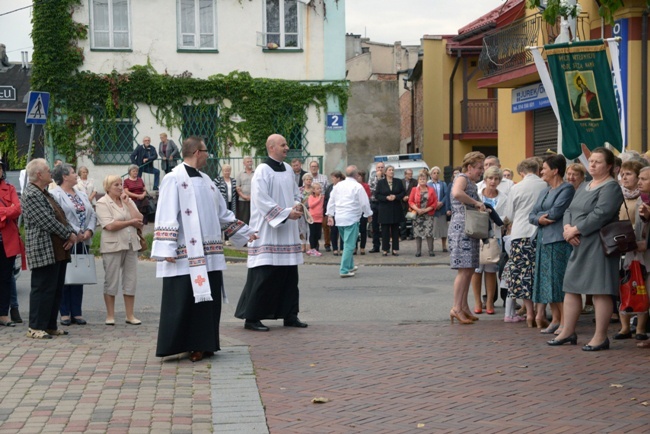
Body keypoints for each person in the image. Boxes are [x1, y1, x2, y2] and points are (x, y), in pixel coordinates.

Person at [151, 136, 257, 361]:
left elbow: (222, 213)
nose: (209, 155)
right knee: (185, 300)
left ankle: (205, 344)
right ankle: (185, 344)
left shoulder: (208, 180)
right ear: (197, 152)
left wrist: (245, 232)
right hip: (184, 254)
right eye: (206, 151)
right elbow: (166, 212)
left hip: (209, 253)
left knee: (207, 302)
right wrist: (167, 247)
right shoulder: (174, 179)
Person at [549, 147, 624, 351]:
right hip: (578, 243)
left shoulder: (611, 188)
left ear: (609, 166)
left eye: (598, 162)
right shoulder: (585, 185)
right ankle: (567, 331)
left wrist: (576, 229)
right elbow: (569, 210)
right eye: (591, 161)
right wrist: (567, 228)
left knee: (600, 290)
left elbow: (601, 214)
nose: (592, 164)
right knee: (571, 286)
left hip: (598, 244)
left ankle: (600, 337)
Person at [235, 134, 308, 332]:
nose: (287, 147)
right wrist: (285, 214)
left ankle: (290, 314)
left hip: (288, 230)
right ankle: (252, 317)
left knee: (289, 276)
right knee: (263, 275)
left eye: (286, 144)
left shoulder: (287, 169)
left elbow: (295, 194)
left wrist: (296, 206)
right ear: (271, 147)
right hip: (268, 230)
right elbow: (260, 200)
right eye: (283, 145)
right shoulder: (262, 170)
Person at [22, 158, 77, 339]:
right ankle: (35, 327)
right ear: (39, 174)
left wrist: (70, 232)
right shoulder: (31, 193)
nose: (51, 173)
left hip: (57, 248)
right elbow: (47, 221)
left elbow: (61, 215)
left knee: (55, 288)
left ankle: (50, 325)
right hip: (43, 248)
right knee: (42, 288)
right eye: (47, 170)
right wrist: (68, 234)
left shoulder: (46, 192)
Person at [528, 155, 575, 334]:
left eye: (545, 168)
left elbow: (555, 213)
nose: (541, 172)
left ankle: (564, 321)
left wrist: (540, 216)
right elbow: (531, 214)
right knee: (548, 282)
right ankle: (555, 319)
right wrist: (539, 218)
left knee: (559, 281)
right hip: (542, 240)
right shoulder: (544, 191)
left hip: (558, 241)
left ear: (555, 170)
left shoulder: (567, 189)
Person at [50, 164, 97, 326]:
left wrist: (89, 230)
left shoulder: (81, 193)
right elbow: (60, 216)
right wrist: (76, 231)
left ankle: (77, 312)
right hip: (66, 240)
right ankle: (64, 313)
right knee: (65, 275)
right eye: (72, 173)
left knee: (79, 274)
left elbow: (92, 213)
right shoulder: (55, 194)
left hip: (83, 240)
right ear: (64, 177)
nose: (76, 175)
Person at [502, 158, 547, 328]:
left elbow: (509, 215)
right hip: (540, 232)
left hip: (520, 233)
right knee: (540, 272)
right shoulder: (544, 185)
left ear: (521, 172)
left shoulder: (516, 188)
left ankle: (529, 313)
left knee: (522, 275)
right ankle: (540, 311)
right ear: (537, 169)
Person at [96, 175, 144, 326]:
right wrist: (130, 222)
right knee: (111, 279)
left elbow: (140, 219)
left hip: (131, 243)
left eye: (120, 184)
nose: (119, 187)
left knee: (131, 279)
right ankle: (110, 315)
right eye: (115, 185)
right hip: (112, 245)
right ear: (108, 187)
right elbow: (109, 225)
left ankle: (130, 315)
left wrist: (128, 203)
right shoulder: (102, 202)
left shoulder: (126, 200)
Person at [448, 151, 486, 325]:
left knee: (469, 269)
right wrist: (476, 202)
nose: (481, 171)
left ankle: (463, 307)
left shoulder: (470, 181)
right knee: (464, 269)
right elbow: (456, 193)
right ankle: (456, 308)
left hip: (468, 228)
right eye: (479, 168)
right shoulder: (462, 178)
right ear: (469, 167)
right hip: (461, 227)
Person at [614, 160, 647, 342]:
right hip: (620, 245)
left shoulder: (644, 197)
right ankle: (625, 326)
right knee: (623, 284)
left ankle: (640, 328)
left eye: (629, 174)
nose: (624, 178)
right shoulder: (618, 195)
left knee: (640, 284)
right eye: (622, 174)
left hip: (639, 246)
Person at [471, 166, 507, 315]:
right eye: (490, 178)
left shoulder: (503, 197)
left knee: (491, 269)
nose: (493, 181)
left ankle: (490, 301)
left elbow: (506, 216)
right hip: (478, 234)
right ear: (485, 180)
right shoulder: (477, 194)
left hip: (494, 236)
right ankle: (478, 301)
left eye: (496, 178)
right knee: (477, 270)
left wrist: (496, 217)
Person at [327, 165, 373, 277]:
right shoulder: (358, 186)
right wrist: (368, 214)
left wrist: (330, 214)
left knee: (347, 242)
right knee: (349, 245)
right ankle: (344, 269)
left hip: (339, 218)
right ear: (357, 175)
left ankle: (350, 265)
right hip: (351, 218)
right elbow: (364, 203)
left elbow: (331, 200)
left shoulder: (338, 186)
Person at [0, 159, 25, 327]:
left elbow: (18, 209)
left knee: (5, 279)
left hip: (6, 241)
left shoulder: (9, 188)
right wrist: (6, 213)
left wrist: (2, 213)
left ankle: (3, 314)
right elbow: (12, 210)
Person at [633, 166, 650, 349]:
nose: (639, 182)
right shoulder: (641, 199)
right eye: (639, 178)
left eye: (644, 179)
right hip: (644, 257)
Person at [376, 165, 405, 256]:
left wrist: (396, 197)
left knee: (395, 230)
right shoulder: (381, 183)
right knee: (385, 230)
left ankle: (395, 249)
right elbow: (377, 195)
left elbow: (403, 192)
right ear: (385, 172)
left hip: (395, 208)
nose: (391, 171)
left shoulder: (398, 181)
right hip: (385, 209)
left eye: (393, 170)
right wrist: (386, 197)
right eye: (389, 170)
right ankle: (385, 249)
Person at [409, 171, 438, 257]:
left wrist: (425, 210)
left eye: (424, 179)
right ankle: (418, 251)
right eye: (420, 179)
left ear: (427, 180)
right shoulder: (414, 190)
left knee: (429, 233)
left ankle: (431, 250)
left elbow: (435, 203)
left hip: (428, 214)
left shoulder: (431, 190)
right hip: (417, 214)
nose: (422, 180)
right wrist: (417, 209)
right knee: (417, 233)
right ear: (418, 180)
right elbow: (410, 201)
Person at [308, 160, 330, 252]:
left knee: (325, 227)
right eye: (312, 166)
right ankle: (314, 246)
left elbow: (328, 189)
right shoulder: (308, 177)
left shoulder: (323, 177)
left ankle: (327, 244)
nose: (314, 168)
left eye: (315, 166)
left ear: (318, 167)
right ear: (310, 168)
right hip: (313, 210)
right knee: (313, 231)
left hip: (322, 204)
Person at [428, 166, 451, 252]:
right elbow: (428, 196)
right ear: (431, 174)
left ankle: (444, 246)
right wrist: (434, 204)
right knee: (432, 229)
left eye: (437, 173)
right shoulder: (428, 184)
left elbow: (446, 194)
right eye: (434, 173)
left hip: (441, 209)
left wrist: (441, 202)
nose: (436, 174)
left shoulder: (443, 184)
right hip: (432, 209)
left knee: (443, 228)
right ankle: (431, 247)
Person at [325, 171, 345, 257]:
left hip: (342, 211)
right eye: (332, 177)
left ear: (338, 178)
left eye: (334, 177)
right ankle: (335, 248)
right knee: (333, 231)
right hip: (333, 212)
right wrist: (328, 212)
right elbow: (327, 199)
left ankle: (343, 248)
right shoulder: (330, 187)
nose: (332, 179)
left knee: (342, 231)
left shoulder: (344, 187)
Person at [368, 162, 385, 253]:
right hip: (375, 203)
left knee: (385, 226)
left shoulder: (387, 178)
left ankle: (386, 246)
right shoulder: (372, 178)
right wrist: (378, 179)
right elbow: (373, 190)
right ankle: (376, 246)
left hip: (384, 204)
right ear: (376, 169)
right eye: (378, 167)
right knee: (375, 226)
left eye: (382, 167)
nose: (380, 169)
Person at [356, 170, 371, 255]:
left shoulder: (365, 186)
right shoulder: (352, 186)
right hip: (354, 211)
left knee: (363, 230)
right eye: (357, 176)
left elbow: (367, 197)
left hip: (363, 210)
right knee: (354, 230)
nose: (358, 178)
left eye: (359, 176)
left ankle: (362, 247)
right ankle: (354, 247)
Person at [306, 182, 324, 256]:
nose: (319, 190)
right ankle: (312, 248)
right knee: (312, 233)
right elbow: (311, 205)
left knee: (318, 234)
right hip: (312, 218)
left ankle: (315, 248)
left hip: (319, 218)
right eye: (317, 189)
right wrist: (318, 199)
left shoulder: (322, 197)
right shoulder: (311, 197)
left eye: (320, 188)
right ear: (313, 190)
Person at [235, 156, 254, 224]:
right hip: (242, 200)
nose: (249, 163)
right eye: (247, 162)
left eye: (250, 161)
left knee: (253, 217)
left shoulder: (256, 173)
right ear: (244, 163)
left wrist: (251, 196)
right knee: (243, 218)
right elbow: (237, 187)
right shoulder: (240, 174)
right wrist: (244, 196)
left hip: (253, 199)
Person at [401, 169, 418, 240]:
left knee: (412, 220)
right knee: (402, 221)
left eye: (411, 173)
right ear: (405, 174)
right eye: (409, 174)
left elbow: (416, 191)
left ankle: (412, 235)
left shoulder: (415, 182)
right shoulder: (401, 181)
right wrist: (402, 197)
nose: (410, 175)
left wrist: (408, 197)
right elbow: (399, 190)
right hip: (402, 204)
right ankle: (403, 235)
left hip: (412, 204)